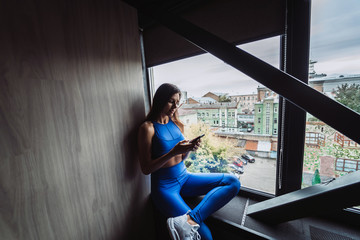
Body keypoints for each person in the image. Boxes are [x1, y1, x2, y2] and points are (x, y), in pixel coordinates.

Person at [138, 83, 241, 240]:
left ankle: (190, 220)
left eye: (177, 102)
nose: (175, 106)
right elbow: (146, 169)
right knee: (206, 236)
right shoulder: (148, 128)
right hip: (165, 188)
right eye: (171, 101)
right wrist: (174, 151)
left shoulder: (177, 124)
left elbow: (181, 158)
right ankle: (191, 221)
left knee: (233, 181)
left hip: (184, 177)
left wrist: (188, 150)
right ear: (160, 100)